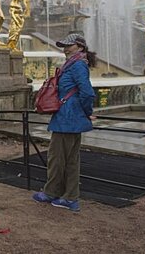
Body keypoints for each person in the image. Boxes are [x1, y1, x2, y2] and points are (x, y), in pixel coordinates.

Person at [32, 33, 96, 212]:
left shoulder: (77, 65)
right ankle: (68, 197)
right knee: (69, 159)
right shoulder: (74, 64)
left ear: (80, 47)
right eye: (64, 45)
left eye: (69, 45)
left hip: (68, 118)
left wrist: (86, 112)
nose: (65, 48)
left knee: (57, 157)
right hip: (69, 118)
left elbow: (88, 93)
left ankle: (53, 193)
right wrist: (84, 113)